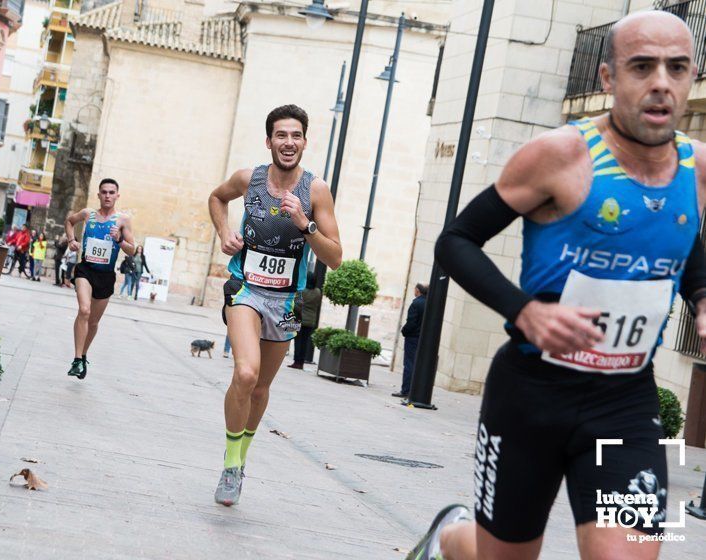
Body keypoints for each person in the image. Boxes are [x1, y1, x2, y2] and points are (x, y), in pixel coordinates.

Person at [406, 11, 706, 560]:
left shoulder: (697, 169)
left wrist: (703, 298)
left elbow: (684, 247)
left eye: (677, 67)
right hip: (531, 395)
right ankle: (448, 538)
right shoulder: (560, 155)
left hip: (626, 401)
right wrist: (525, 312)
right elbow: (456, 241)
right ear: (609, 78)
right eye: (642, 66)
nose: (661, 82)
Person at [208, 104, 342, 506]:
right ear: (269, 141)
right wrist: (223, 231)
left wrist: (306, 223)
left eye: (295, 135)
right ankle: (231, 466)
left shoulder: (315, 191)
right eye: (281, 135)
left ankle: (240, 459)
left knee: (262, 388)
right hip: (246, 287)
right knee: (246, 374)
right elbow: (216, 198)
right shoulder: (248, 180)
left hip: (289, 299)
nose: (288, 142)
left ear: (305, 141)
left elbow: (334, 257)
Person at [64, 178, 137, 379]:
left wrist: (119, 239)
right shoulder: (89, 215)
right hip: (85, 270)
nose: (107, 196)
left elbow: (132, 251)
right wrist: (71, 240)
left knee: (94, 322)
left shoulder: (122, 220)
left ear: (117, 196)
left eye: (111, 192)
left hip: (106, 275)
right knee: (84, 310)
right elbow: (70, 221)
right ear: (98, 194)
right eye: (104, 192)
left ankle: (84, 354)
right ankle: (77, 359)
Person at [392, 283, 427, 398]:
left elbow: (411, 322)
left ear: (417, 291)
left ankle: (406, 390)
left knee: (409, 364)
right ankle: (416, 391)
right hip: (424, 339)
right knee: (418, 365)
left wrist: (404, 331)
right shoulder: (430, 303)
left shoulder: (416, 303)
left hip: (412, 338)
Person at [288, 272, 321, 369]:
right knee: (305, 342)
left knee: (298, 341)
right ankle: (301, 362)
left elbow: (296, 302)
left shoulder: (302, 291)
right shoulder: (318, 292)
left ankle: (296, 362)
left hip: (300, 318)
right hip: (311, 321)